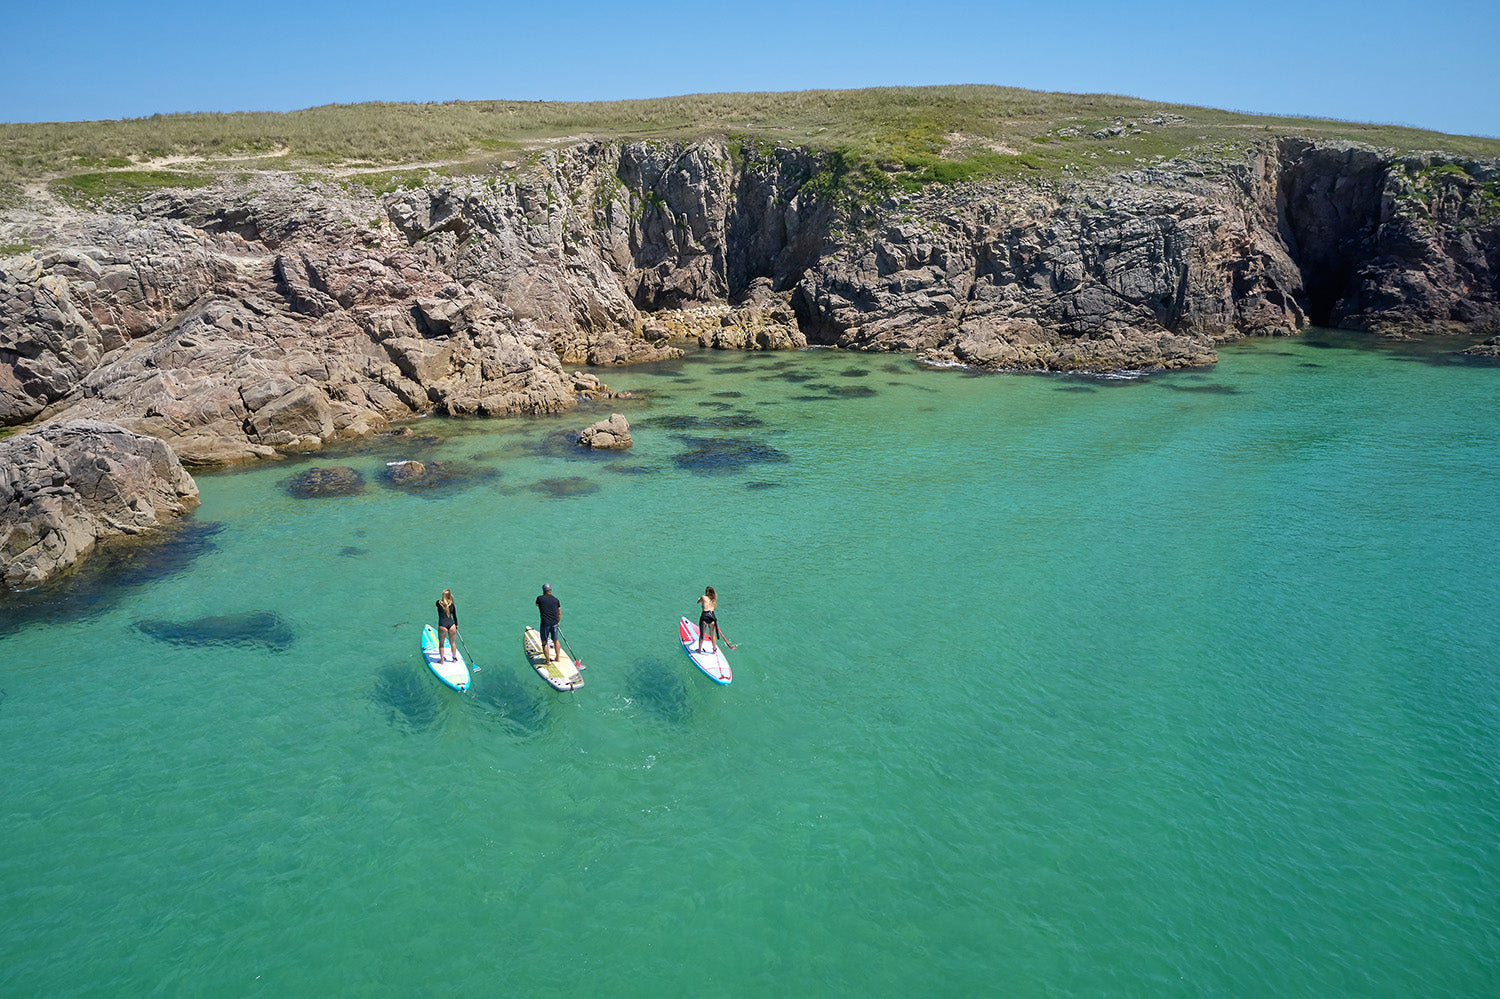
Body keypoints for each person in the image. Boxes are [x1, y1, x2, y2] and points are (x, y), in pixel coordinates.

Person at [536, 583, 562, 663]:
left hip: (545, 624)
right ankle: (557, 658)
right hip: (554, 623)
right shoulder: (556, 600)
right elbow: (559, 613)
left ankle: (547, 661)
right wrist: (558, 622)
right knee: (555, 641)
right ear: (550, 590)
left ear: (543, 591)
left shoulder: (540, 598)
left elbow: (537, 605)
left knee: (544, 642)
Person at [695, 585, 720, 654]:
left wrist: (699, 598)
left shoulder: (703, 597)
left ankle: (699, 650)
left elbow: (698, 602)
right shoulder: (714, 601)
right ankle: (714, 649)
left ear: (706, 592)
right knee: (712, 635)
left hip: (705, 615)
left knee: (702, 634)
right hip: (712, 616)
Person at [435, 589, 458, 663]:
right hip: (452, 625)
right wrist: (456, 625)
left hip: (442, 626)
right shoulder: (452, 605)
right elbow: (455, 616)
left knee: (441, 644)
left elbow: (438, 604)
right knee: (452, 643)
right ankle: (454, 659)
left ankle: (442, 660)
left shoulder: (438, 603)